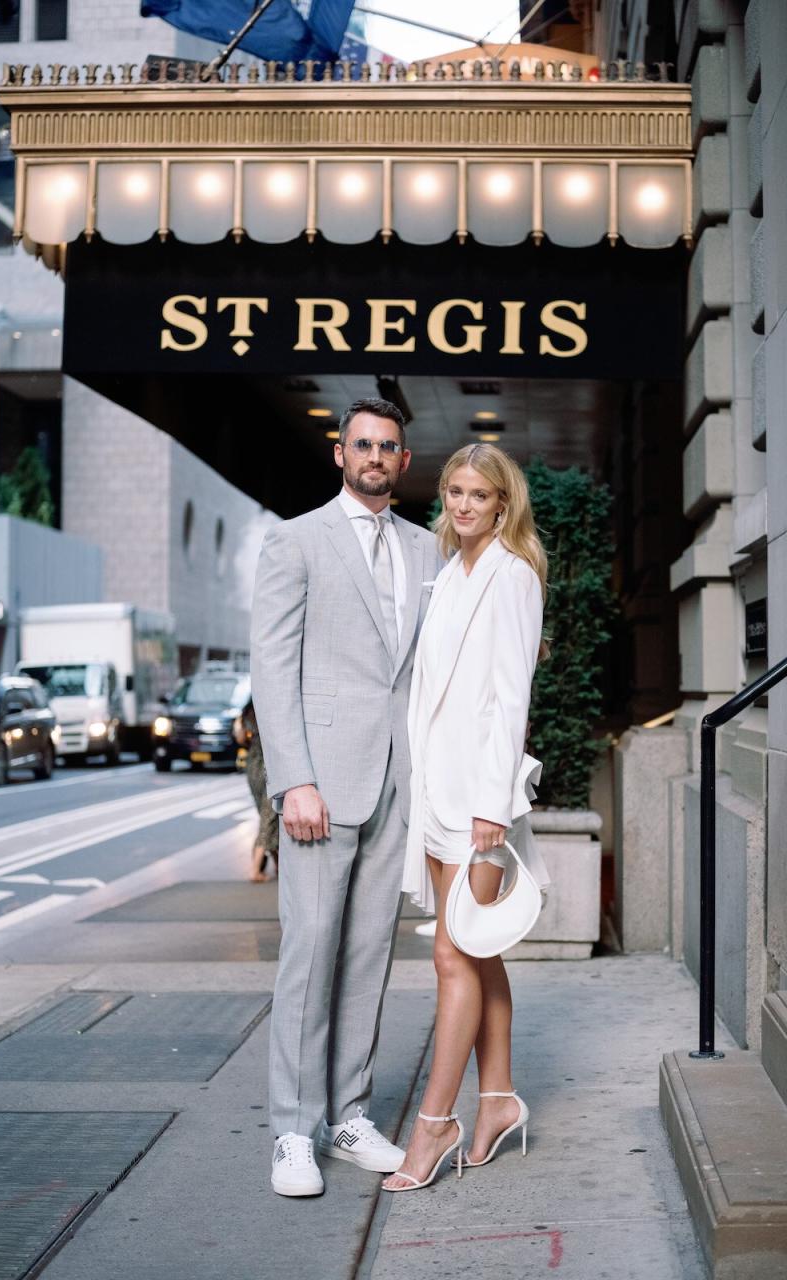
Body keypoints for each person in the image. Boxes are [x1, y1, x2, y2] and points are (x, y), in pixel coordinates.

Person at [251, 398, 441, 1198]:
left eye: (387, 447)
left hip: (401, 782)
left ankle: (349, 1115)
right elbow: (273, 666)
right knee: (310, 952)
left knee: (368, 956)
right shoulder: (296, 541)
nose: (373, 457)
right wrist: (293, 779)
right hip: (321, 786)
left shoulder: (430, 549)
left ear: (402, 460)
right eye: (361, 444)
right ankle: (292, 1130)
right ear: (340, 453)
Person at [383, 442, 548, 1194]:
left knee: (451, 957)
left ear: (503, 503)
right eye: (454, 491)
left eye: (479, 494)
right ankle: (499, 1101)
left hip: (480, 802)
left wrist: (492, 805)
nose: (464, 505)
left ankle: (434, 1123)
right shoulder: (449, 575)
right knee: (476, 951)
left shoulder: (512, 577)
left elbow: (509, 696)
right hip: (440, 794)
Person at [233, 699, 279, 881]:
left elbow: (240, 738)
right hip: (269, 767)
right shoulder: (269, 709)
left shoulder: (245, 716)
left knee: (266, 816)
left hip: (252, 767)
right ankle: (255, 870)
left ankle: (277, 865)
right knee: (269, 819)